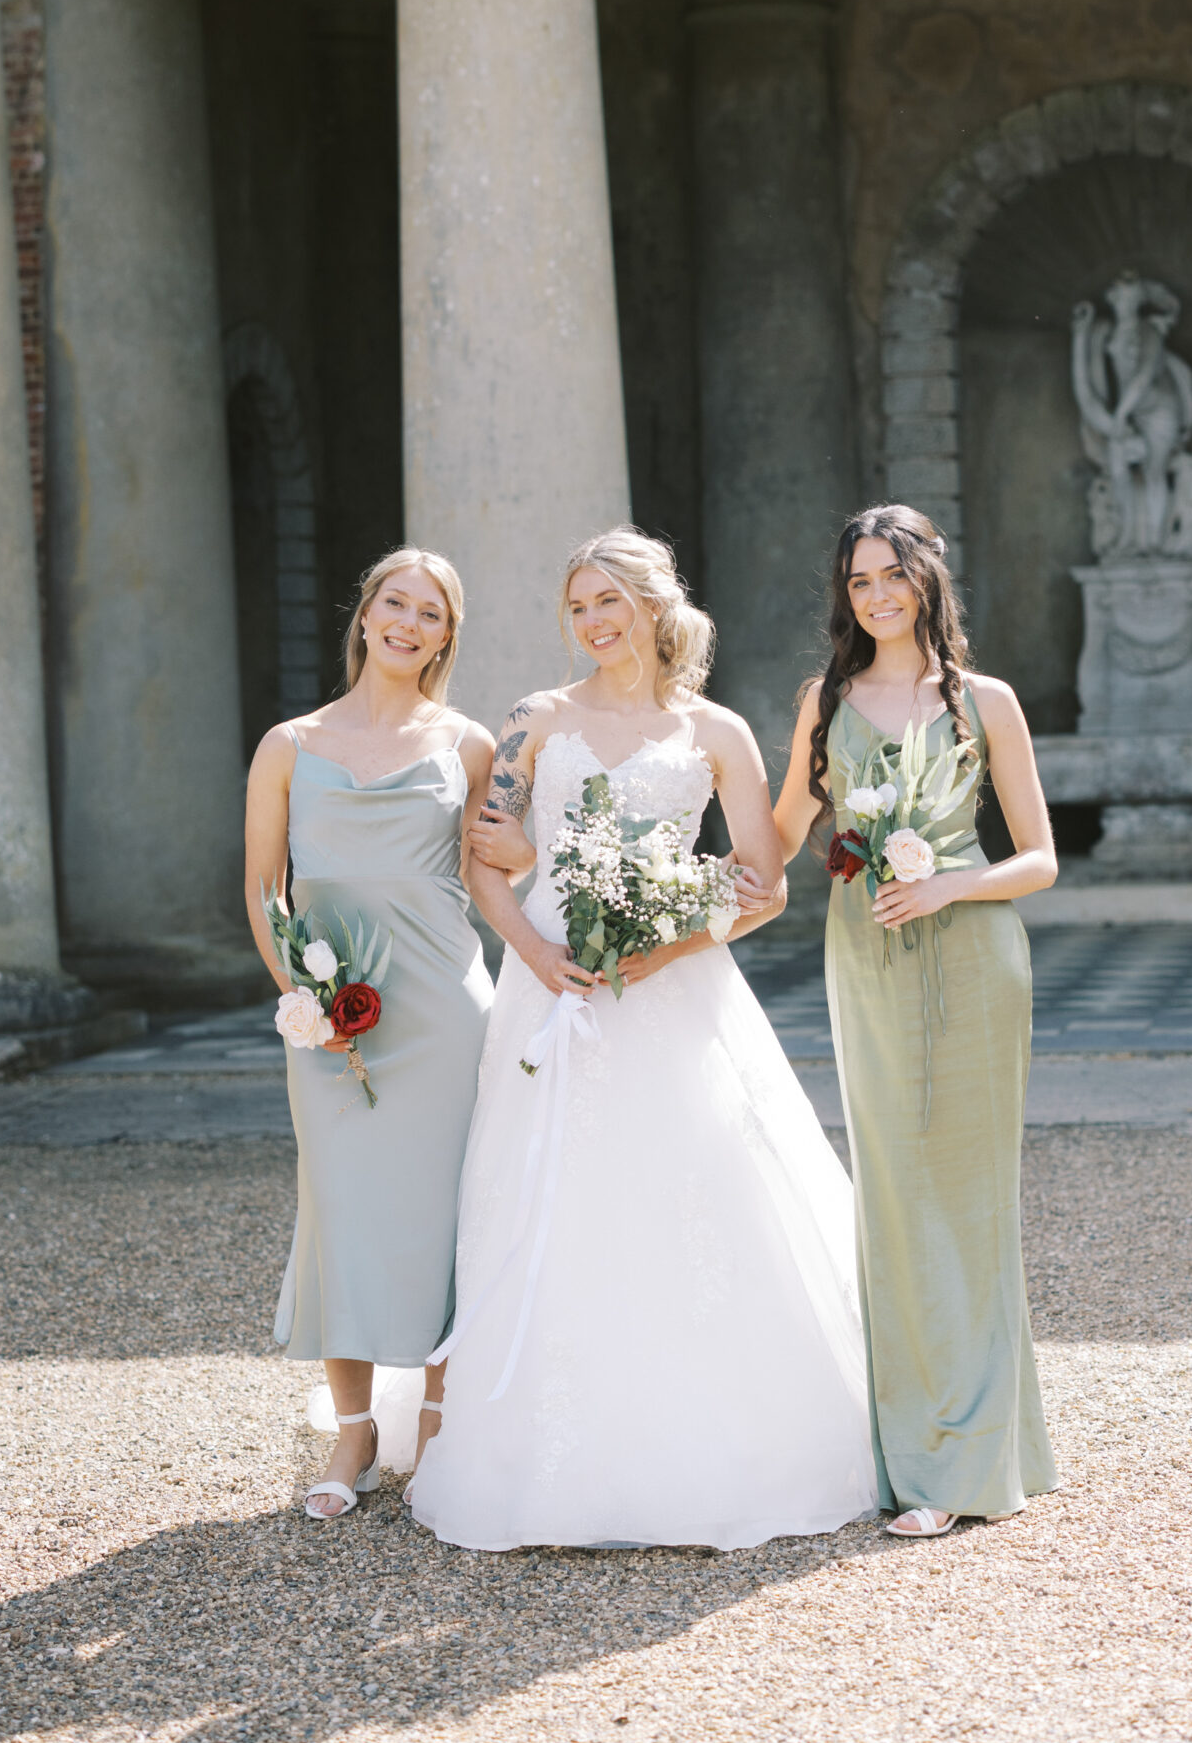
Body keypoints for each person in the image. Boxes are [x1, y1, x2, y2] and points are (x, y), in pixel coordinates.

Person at [408, 527, 877, 1553]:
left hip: (674, 990)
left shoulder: (715, 731)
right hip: (554, 988)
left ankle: (711, 1450)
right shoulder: (537, 718)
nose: (591, 622)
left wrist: (659, 951)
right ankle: (544, 1462)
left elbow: (762, 886)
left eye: (607, 601)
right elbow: (485, 860)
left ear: (655, 606)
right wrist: (534, 953)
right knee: (546, 1202)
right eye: (577, 606)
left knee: (691, 1195)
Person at [773, 504, 1060, 1541]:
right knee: (894, 1199)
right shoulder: (826, 701)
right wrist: (658, 893)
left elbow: (1040, 859)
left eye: (893, 574)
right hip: (867, 960)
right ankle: (916, 1453)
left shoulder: (985, 702)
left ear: (930, 579)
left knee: (973, 1202)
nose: (877, 593)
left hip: (975, 956)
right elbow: (772, 842)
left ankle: (976, 1455)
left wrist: (950, 888)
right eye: (859, 580)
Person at [243, 546, 495, 1522]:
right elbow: (266, 892)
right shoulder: (287, 745)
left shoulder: (468, 744)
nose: (409, 622)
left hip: (442, 1010)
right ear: (365, 613)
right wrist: (302, 997)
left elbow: (495, 877)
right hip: (329, 1017)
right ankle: (354, 1428)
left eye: (431, 613)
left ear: (445, 636)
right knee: (341, 1208)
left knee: (447, 1213)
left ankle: (436, 1415)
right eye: (396, 601)